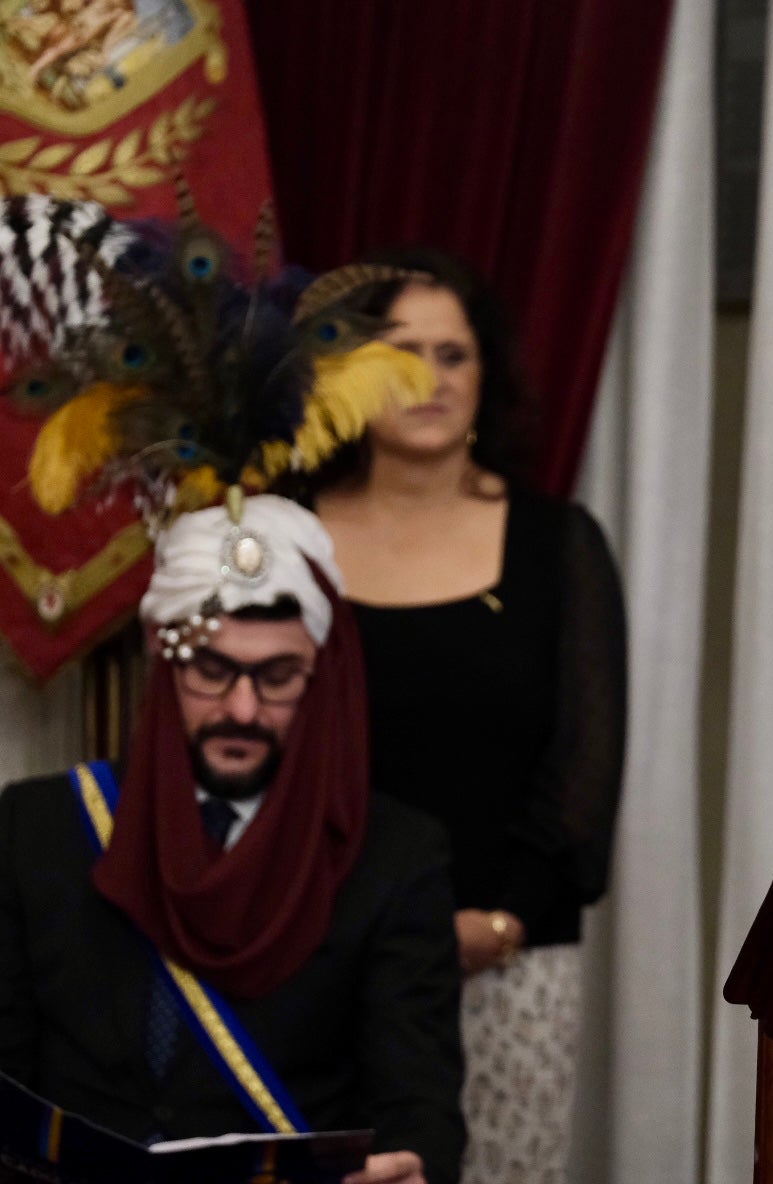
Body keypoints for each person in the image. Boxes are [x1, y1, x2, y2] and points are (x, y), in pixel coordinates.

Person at [0, 195, 465, 1184]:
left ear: (323, 675)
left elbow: (418, 1104)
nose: (244, 707)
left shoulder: (394, 858)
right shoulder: (37, 832)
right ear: (166, 664)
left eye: (277, 675)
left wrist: (414, 1163)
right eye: (213, 669)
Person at [310, 248, 626, 1184]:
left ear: (487, 377)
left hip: (504, 965)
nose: (431, 379)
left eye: (454, 354)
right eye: (400, 351)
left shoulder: (555, 542)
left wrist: (498, 927)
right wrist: (329, 925)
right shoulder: (279, 531)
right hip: (310, 958)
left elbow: (584, 776)